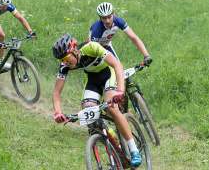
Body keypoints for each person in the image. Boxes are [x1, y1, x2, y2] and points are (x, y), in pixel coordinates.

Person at [52, 34, 142, 167]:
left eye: (66, 58)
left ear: (74, 50)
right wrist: (58, 112)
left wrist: (120, 91)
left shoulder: (91, 47)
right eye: (61, 60)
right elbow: (56, 93)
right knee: (89, 112)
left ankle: (134, 150)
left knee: (111, 107)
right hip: (93, 81)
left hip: (109, 74)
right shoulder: (64, 66)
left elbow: (117, 65)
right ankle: (114, 144)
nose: (65, 62)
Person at [89, 2, 152, 66]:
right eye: (104, 18)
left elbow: (134, 38)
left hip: (106, 45)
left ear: (113, 14)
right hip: (95, 48)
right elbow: (93, 48)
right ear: (100, 17)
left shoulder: (119, 21)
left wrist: (146, 55)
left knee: (119, 67)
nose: (107, 21)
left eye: (109, 17)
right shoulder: (97, 29)